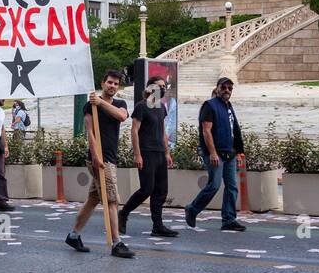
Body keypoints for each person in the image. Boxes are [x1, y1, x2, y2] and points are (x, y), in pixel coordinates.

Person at [66, 69, 134, 258]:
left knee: (94, 199)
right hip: (100, 159)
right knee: (112, 200)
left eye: (115, 83)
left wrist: (101, 102)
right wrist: (96, 157)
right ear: (103, 83)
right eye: (109, 82)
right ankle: (117, 243)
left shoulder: (118, 103)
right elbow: (90, 132)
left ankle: (74, 235)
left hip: (111, 156)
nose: (112, 86)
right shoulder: (90, 106)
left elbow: (121, 116)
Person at [119, 76, 178, 238]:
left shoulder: (161, 108)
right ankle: (123, 213)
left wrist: (167, 152)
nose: (162, 88)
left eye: (164, 86)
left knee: (161, 191)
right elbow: (134, 130)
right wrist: (137, 154)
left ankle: (157, 226)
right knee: (147, 189)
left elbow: (163, 132)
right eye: (159, 86)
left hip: (160, 152)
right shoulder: (141, 107)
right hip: (146, 152)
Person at [185, 76, 245, 232]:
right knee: (214, 185)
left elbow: (235, 130)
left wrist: (239, 152)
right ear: (217, 88)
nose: (226, 90)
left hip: (229, 153)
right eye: (223, 87)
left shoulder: (229, 106)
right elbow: (206, 131)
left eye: (230, 88)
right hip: (215, 154)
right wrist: (212, 153)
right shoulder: (209, 106)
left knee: (232, 187)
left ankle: (229, 219)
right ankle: (192, 209)